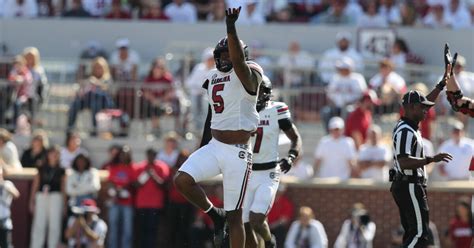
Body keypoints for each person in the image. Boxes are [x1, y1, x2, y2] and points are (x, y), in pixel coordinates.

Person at [174, 6, 263, 248]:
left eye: (228, 54)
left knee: (236, 216)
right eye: (220, 55)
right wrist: (202, 146)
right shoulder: (213, 76)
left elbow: (238, 62)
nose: (224, 59)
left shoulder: (249, 71)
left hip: (238, 151)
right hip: (215, 145)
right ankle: (215, 214)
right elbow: (212, 113)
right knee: (182, 180)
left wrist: (230, 27)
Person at [243, 75, 302, 248]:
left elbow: (295, 137)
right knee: (244, 225)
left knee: (256, 219)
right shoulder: (241, 109)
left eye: (261, 91)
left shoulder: (277, 110)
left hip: (268, 173)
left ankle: (269, 241)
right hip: (246, 173)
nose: (257, 95)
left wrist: (291, 156)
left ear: (268, 94)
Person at [390, 89, 453, 247]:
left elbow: (427, 102)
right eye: (422, 107)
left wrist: (440, 86)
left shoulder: (409, 126)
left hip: (408, 184)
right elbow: (404, 162)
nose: (426, 110)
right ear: (411, 107)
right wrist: (431, 159)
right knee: (420, 235)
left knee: (413, 234)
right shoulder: (405, 131)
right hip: (409, 184)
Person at [29, 146, 66, 248]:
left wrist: (64, 205)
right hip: (41, 196)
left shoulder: (61, 169)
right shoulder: (41, 168)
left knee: (54, 225)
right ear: (47, 155)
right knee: (39, 224)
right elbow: (35, 185)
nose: (53, 156)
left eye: (56, 153)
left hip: (56, 197)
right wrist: (31, 201)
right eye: (51, 153)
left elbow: (63, 189)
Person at [67, 57, 115, 134]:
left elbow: (110, 91)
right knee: (75, 104)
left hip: (103, 102)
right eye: (96, 68)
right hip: (88, 100)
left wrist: (96, 83)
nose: (98, 70)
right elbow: (83, 90)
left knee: (95, 104)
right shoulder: (89, 79)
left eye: (100, 68)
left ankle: (94, 130)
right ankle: (70, 128)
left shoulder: (108, 79)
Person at [133, 148, 170, 248]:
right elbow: (136, 185)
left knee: (152, 229)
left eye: (152, 155)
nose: (150, 157)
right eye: (149, 155)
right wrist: (145, 175)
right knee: (141, 229)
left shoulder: (162, 166)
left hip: (155, 205)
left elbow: (163, 185)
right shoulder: (140, 166)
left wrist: (153, 175)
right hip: (141, 204)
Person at [322, 57, 367, 130]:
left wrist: (353, 103)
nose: (340, 70)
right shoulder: (335, 78)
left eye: (343, 68)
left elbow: (362, 95)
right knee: (326, 111)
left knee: (348, 111)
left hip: (352, 106)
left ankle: (346, 132)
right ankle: (330, 133)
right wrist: (333, 103)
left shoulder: (357, 78)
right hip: (336, 106)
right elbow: (329, 94)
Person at [105, 146, 135, 248]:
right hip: (115, 202)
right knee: (113, 228)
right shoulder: (114, 167)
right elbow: (110, 182)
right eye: (122, 154)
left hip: (128, 203)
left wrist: (125, 188)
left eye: (126, 154)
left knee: (127, 230)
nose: (124, 156)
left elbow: (134, 184)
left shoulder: (132, 167)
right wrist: (116, 190)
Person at [185, 47, 216, 132]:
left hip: (210, 96)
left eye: (212, 59)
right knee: (194, 106)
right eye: (209, 59)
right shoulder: (199, 68)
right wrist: (201, 88)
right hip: (197, 94)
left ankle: (206, 127)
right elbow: (189, 83)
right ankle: (197, 127)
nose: (211, 61)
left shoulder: (216, 70)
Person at [0, 166, 20, 248]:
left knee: (6, 244)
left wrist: (5, 186)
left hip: (4, 220)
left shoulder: (7, 184)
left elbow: (16, 194)